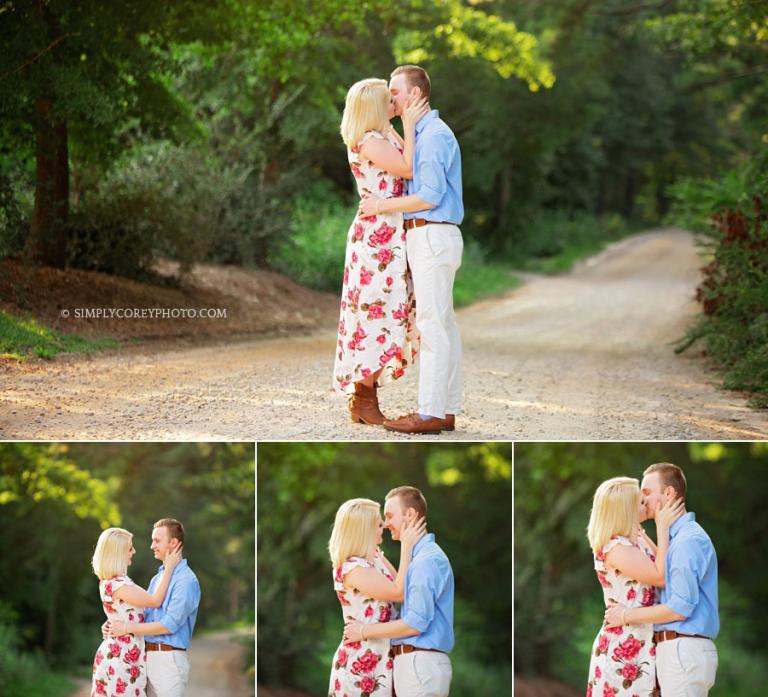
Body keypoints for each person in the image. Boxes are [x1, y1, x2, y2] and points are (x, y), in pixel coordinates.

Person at [360, 65, 464, 435]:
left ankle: (430, 413)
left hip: (432, 234)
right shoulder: (421, 134)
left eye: (396, 92)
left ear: (415, 95)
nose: (391, 99)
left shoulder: (433, 135)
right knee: (444, 326)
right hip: (432, 235)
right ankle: (446, 409)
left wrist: (381, 207)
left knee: (433, 327)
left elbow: (430, 195)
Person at [334, 77, 429, 425]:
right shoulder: (369, 140)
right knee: (374, 315)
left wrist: (401, 128)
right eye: (387, 99)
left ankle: (364, 399)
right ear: (373, 107)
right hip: (376, 238)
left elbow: (411, 163)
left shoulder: (384, 134)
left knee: (387, 313)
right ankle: (363, 398)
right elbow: (406, 168)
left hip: (389, 233)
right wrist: (409, 123)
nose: (394, 102)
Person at [604, 463, 719, 697]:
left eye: (647, 492)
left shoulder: (687, 541)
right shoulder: (675, 540)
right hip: (677, 650)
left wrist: (624, 615)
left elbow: (679, 608)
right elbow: (662, 572)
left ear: (669, 493)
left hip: (683, 649)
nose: (642, 499)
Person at [344, 486, 454, 697]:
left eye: (389, 516)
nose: (385, 524)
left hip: (420, 664)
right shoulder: (417, 559)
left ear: (410, 515)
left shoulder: (426, 560)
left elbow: (415, 623)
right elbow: (398, 589)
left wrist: (363, 631)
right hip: (415, 665)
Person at [585, 477, 683, 697]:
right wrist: (662, 527)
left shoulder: (636, 537)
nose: (645, 505)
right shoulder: (615, 547)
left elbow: (664, 562)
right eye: (640, 502)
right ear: (624, 510)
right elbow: (661, 577)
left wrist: (652, 533)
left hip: (643, 635)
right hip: (625, 642)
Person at [327, 497, 426, 697]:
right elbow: (398, 594)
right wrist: (406, 548)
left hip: (383, 655)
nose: (385, 525)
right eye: (379, 524)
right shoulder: (352, 567)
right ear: (364, 529)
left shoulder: (374, 559)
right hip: (362, 660)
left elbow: (404, 588)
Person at [105, 518, 201, 697]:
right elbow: (143, 615)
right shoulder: (157, 579)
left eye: (157, 540)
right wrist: (113, 623)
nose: (151, 546)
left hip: (168, 660)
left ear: (173, 543)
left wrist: (125, 628)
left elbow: (168, 625)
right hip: (145, 657)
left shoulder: (186, 581)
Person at [90, 526, 182, 697]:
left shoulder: (112, 581)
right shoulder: (119, 584)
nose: (134, 551)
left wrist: (110, 623)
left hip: (124, 654)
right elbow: (154, 601)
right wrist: (169, 568)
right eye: (130, 548)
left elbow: (123, 613)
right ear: (118, 553)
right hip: (121, 658)